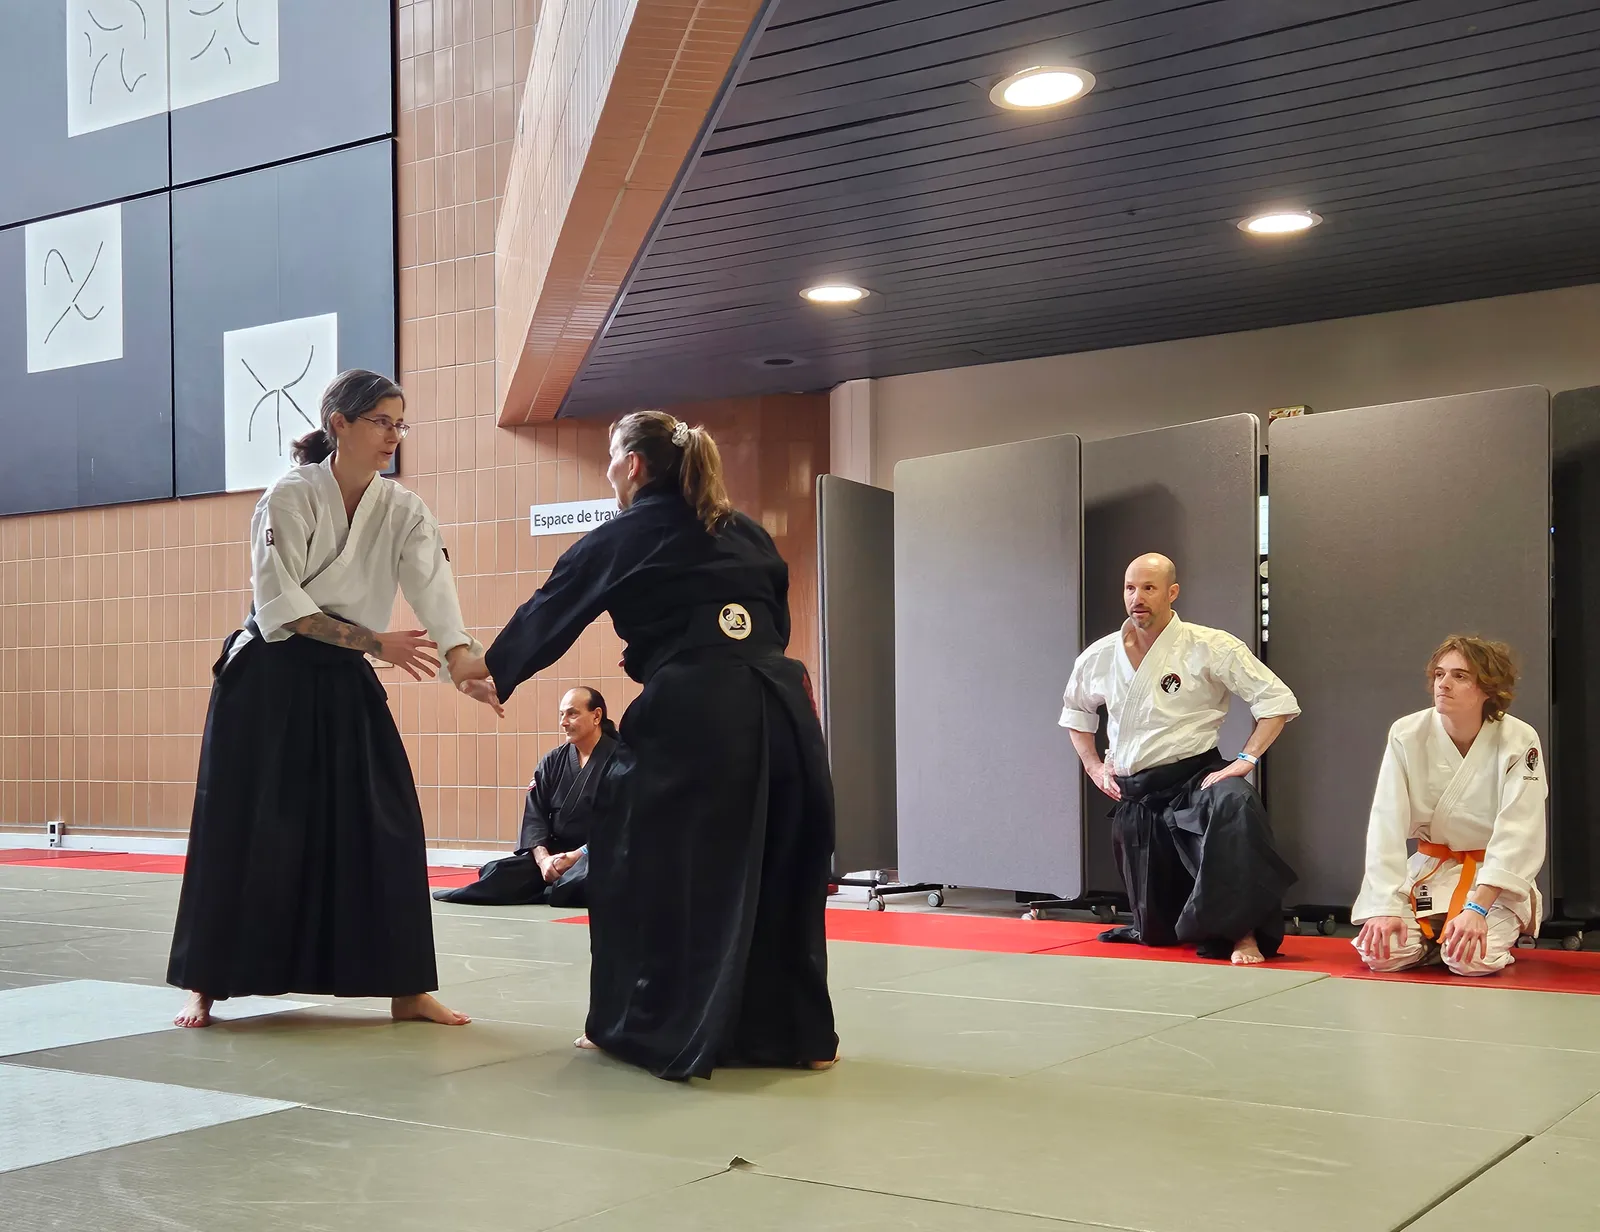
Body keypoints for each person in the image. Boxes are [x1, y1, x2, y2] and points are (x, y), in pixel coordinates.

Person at [453, 410, 838, 1081]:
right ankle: (798, 1035)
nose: (609, 472)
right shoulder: (744, 529)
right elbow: (772, 620)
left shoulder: (628, 532)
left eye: (611, 459)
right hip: (785, 709)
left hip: (698, 709)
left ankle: (640, 1027)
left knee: (638, 859)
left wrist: (490, 669)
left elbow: (556, 604)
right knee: (780, 862)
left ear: (632, 465)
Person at [166, 370, 503, 1029]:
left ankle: (408, 989)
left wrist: (462, 658)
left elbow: (433, 587)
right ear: (339, 424)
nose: (394, 436)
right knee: (245, 823)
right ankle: (204, 984)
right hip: (267, 676)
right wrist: (376, 643)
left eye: (400, 424)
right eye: (381, 421)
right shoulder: (289, 496)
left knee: (388, 822)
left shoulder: (402, 508)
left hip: (344, 675)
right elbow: (282, 607)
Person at [1060, 553, 1300, 965]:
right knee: (1156, 934)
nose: (1137, 597)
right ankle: (1173, 921)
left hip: (1195, 778)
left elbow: (1276, 701)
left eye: (1148, 588)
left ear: (1172, 592)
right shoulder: (1100, 655)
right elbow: (1076, 714)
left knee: (1235, 803)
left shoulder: (1209, 646)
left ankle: (1243, 934)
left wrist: (1246, 758)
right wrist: (1094, 766)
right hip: (1139, 793)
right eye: (1130, 588)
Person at [1352, 636, 1547, 976]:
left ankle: (1462, 940)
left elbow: (1520, 829)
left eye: (1460, 676)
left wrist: (1477, 908)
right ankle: (1432, 945)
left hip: (1490, 880)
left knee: (1470, 960)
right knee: (1382, 954)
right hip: (1432, 870)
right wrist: (1384, 905)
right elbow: (1386, 821)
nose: (1443, 684)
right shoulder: (1407, 733)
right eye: (1439, 674)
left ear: (1488, 687)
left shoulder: (1519, 739)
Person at [432, 687, 620, 907]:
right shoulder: (552, 761)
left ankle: (552, 887)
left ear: (596, 716)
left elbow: (620, 825)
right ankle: (551, 885)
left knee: (583, 879)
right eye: (561, 714)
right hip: (556, 856)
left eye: (572, 714)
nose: (563, 722)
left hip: (598, 852)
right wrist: (543, 860)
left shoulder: (621, 760)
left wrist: (576, 856)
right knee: (498, 871)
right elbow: (535, 816)